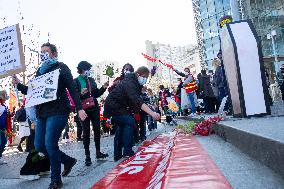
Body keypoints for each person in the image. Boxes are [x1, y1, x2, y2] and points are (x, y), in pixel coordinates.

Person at [13, 42, 87, 189]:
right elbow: (33, 92)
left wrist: (79, 108)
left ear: (54, 53)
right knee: (39, 145)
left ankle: (55, 180)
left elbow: (72, 89)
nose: (43, 54)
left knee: (50, 144)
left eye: (46, 51)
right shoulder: (39, 71)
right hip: (42, 113)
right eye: (41, 52)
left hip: (58, 110)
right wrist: (19, 85)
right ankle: (67, 160)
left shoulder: (62, 67)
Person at [104, 66, 160, 161]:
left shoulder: (134, 83)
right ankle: (127, 151)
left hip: (119, 106)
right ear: (138, 74)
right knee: (130, 123)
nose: (145, 80)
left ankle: (117, 155)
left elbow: (136, 100)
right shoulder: (129, 82)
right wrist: (152, 113)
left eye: (146, 78)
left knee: (121, 127)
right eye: (144, 77)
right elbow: (137, 100)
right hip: (114, 106)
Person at [74, 61, 109, 166]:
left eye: (89, 69)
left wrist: (103, 87)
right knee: (86, 132)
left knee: (97, 130)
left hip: (94, 108)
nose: (89, 71)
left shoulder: (91, 80)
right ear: (81, 69)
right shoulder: (75, 81)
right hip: (83, 109)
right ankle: (87, 156)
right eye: (87, 69)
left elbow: (96, 94)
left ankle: (98, 152)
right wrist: (80, 93)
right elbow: (74, 97)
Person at [0, 90, 11, 165]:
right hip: (0, 128)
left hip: (4, 128)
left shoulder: (4, 105)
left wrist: (11, 114)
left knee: (4, 142)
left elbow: (6, 117)